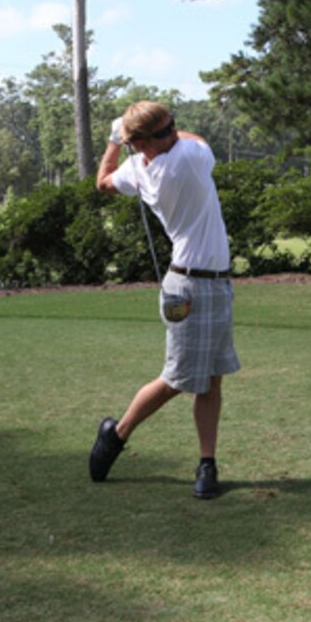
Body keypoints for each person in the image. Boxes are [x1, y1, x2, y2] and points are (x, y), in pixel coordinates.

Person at [90, 101, 240, 499]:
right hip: (189, 286)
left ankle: (207, 464)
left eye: (173, 127)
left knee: (210, 380)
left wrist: (113, 140)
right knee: (177, 379)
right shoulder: (188, 158)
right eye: (163, 133)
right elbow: (199, 139)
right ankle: (116, 434)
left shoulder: (138, 167)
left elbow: (102, 181)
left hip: (215, 283)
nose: (173, 134)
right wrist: (132, 136)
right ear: (142, 143)